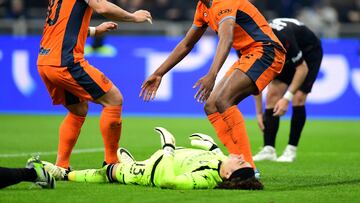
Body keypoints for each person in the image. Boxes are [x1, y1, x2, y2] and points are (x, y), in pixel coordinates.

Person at [140, 0, 286, 169]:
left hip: (266, 50)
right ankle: (236, 163)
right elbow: (187, 44)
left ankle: (248, 168)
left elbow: (227, 38)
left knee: (224, 100)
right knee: (211, 106)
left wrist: (212, 74)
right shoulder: (202, 8)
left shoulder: (224, 1)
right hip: (248, 54)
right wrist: (159, 73)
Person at [37, 0, 152, 180]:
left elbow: (63, 24)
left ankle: (61, 166)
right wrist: (133, 17)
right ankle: (111, 163)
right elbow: (103, 7)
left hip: (45, 61)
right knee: (114, 99)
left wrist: (95, 31)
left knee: (78, 110)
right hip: (66, 61)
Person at [67, 127, 263, 190]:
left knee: (109, 171)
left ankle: (63, 174)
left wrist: (168, 147)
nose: (241, 156)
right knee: (120, 163)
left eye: (240, 161)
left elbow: (169, 180)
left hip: (150, 172)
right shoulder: (221, 163)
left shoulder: (204, 178)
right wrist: (212, 146)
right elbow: (218, 158)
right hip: (162, 157)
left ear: (228, 174)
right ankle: (130, 162)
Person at [253, 18, 323, 162]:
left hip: (309, 52)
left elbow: (302, 68)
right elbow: (255, 79)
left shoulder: (283, 38)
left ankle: (291, 150)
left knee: (298, 97)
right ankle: (269, 149)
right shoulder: (250, 44)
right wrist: (259, 112)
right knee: (272, 95)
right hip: (285, 53)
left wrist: (287, 98)